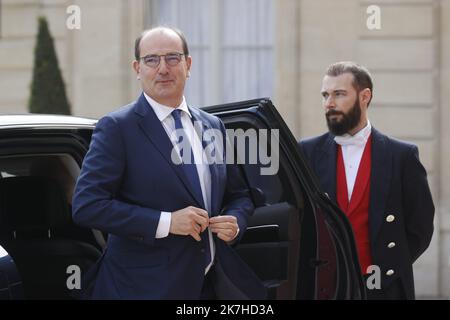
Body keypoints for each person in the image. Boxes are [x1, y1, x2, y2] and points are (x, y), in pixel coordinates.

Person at [72, 26, 266, 300]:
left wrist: (236, 221)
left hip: (210, 284)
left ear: (187, 65)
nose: (163, 68)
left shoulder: (212, 126)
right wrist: (167, 222)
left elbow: (239, 195)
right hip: (142, 289)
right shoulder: (117, 128)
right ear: (138, 68)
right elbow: (87, 206)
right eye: (152, 60)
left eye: (173, 58)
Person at [298, 61, 434, 299]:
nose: (329, 103)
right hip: (326, 288)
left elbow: (420, 226)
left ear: (365, 96)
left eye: (339, 94)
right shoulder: (306, 152)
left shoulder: (401, 155)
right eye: (325, 95)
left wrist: (389, 266)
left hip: (385, 287)